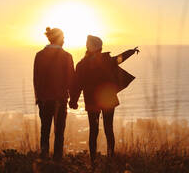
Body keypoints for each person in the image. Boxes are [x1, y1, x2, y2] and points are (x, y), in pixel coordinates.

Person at [69, 35, 139, 164]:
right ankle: (111, 157)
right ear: (99, 48)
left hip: (91, 101)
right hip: (108, 100)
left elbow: (77, 84)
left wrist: (73, 100)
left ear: (88, 47)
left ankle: (93, 160)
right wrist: (131, 51)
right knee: (108, 128)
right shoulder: (106, 61)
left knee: (93, 131)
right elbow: (120, 59)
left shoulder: (81, 65)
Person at [33, 27, 74, 161]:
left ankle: (44, 158)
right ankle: (57, 160)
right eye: (63, 37)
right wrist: (72, 99)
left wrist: (38, 98)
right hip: (60, 100)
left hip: (44, 100)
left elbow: (36, 79)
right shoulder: (67, 56)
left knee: (44, 131)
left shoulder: (39, 55)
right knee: (59, 132)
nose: (65, 40)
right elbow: (71, 80)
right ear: (58, 39)